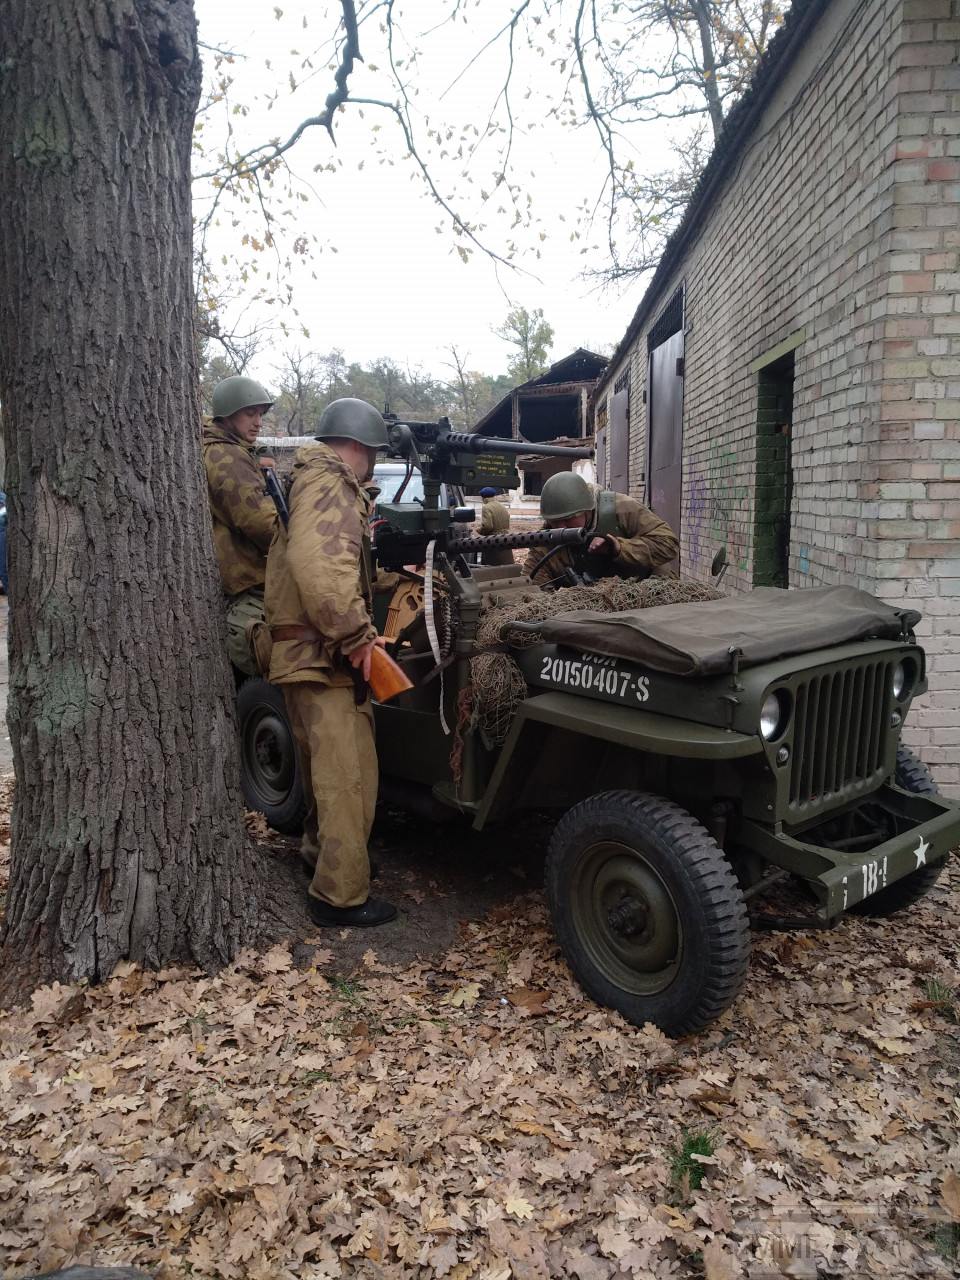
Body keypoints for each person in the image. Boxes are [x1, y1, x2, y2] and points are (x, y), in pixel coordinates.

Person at [265, 397, 397, 928]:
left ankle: (324, 861)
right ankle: (338, 898)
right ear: (361, 448)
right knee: (349, 778)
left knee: (330, 774)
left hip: (308, 656)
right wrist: (358, 635)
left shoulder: (312, 481)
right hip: (321, 657)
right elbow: (318, 567)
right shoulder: (331, 482)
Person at [202, 375, 278, 674]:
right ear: (227, 414)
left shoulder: (230, 450)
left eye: (260, 414)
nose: (258, 422)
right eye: (250, 413)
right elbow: (260, 521)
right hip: (248, 587)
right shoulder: (225, 455)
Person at [523, 471, 679, 586]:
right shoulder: (547, 539)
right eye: (555, 522)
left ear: (587, 509)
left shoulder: (621, 509)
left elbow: (668, 544)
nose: (561, 528)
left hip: (648, 593)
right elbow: (530, 584)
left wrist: (619, 548)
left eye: (568, 519)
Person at [477, 487, 515, 567]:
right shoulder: (501, 506)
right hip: (505, 538)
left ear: (483, 497)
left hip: (493, 540)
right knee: (507, 564)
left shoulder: (486, 507)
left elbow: (488, 526)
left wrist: (479, 531)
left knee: (491, 566)